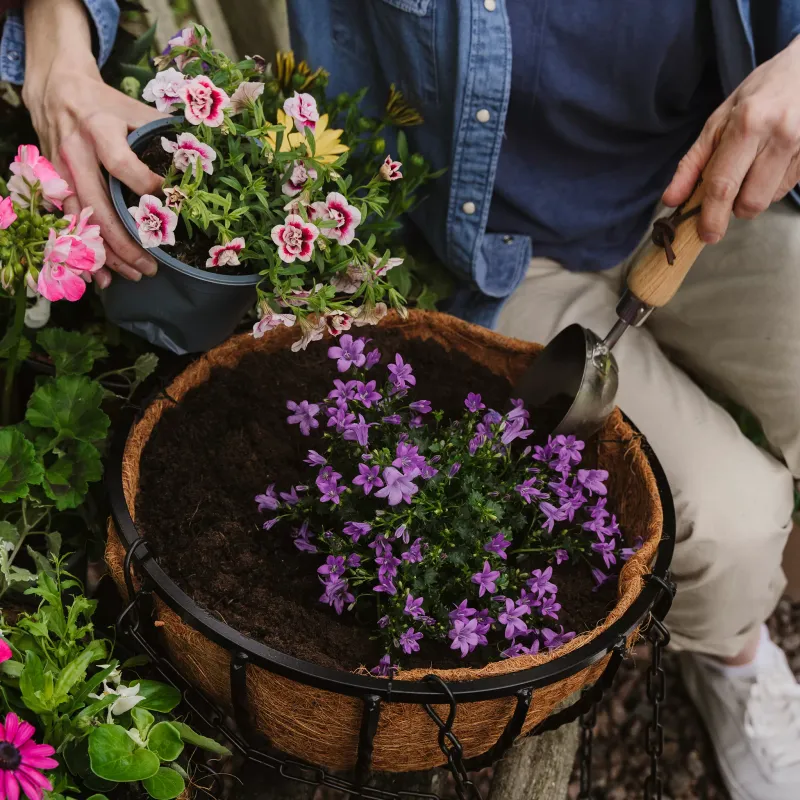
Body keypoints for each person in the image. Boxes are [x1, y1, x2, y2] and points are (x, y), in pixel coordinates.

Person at [4, 1, 799, 797]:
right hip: (498, 248)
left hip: (704, 180)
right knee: (731, 524)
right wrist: (58, 44)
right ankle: (733, 653)